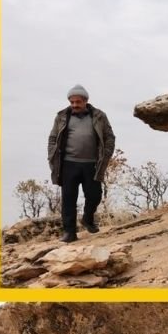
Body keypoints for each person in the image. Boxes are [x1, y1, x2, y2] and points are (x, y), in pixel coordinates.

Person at [47, 85, 116, 242]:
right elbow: (52, 138)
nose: (74, 105)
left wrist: (106, 155)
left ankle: (87, 218)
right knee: (69, 199)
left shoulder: (99, 116)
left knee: (94, 196)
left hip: (92, 164)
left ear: (85, 101)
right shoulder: (62, 116)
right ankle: (69, 233)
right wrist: (51, 155)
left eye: (77, 102)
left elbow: (109, 137)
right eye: (71, 102)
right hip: (68, 164)